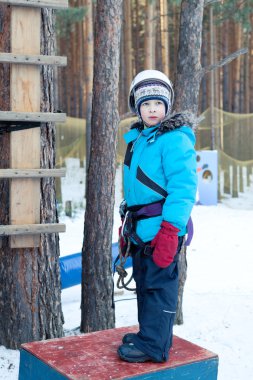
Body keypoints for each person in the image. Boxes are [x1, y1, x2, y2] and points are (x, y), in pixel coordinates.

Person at [117, 69, 198, 363]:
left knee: (158, 286)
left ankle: (155, 345)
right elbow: (137, 184)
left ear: (168, 106)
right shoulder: (140, 139)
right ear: (137, 107)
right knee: (144, 281)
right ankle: (147, 335)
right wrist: (128, 218)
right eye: (146, 104)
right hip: (141, 228)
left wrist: (170, 230)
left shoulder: (174, 139)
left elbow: (184, 189)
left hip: (162, 228)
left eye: (159, 104)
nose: (153, 110)